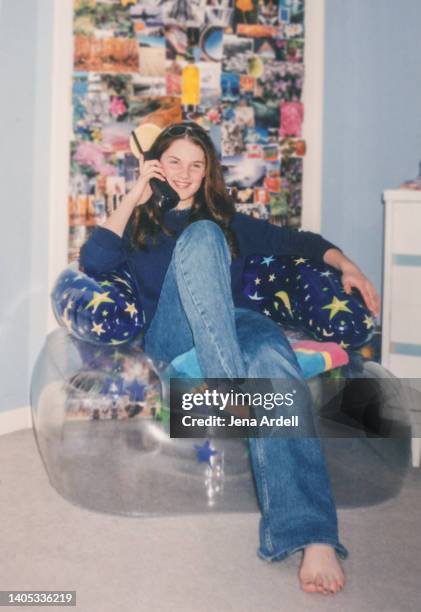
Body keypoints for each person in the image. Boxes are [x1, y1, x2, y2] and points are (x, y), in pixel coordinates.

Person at [79, 121, 381, 596]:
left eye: (196, 166)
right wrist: (137, 190)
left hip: (240, 325)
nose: (184, 173)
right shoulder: (139, 223)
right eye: (173, 162)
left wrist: (349, 266)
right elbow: (93, 261)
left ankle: (312, 534)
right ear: (157, 164)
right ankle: (229, 390)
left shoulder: (229, 221)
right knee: (200, 237)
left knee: (273, 358)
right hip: (174, 338)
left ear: (207, 173)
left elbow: (298, 242)